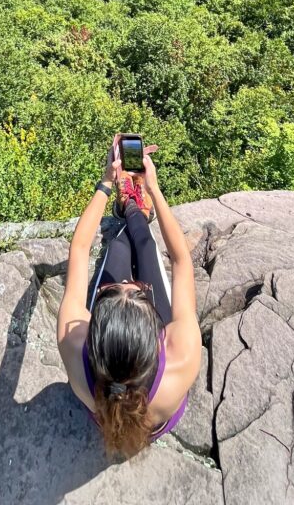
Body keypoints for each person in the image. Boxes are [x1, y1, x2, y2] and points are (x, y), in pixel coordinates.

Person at [56, 134, 202, 458]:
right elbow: (181, 261)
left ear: (93, 331)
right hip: (159, 402)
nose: (130, 283)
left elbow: (79, 250)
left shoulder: (75, 347)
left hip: (105, 393)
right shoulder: (181, 356)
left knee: (118, 241)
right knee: (146, 245)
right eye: (137, 291)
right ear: (156, 333)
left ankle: (127, 205)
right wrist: (154, 187)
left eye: (115, 289)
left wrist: (107, 181)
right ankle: (137, 206)